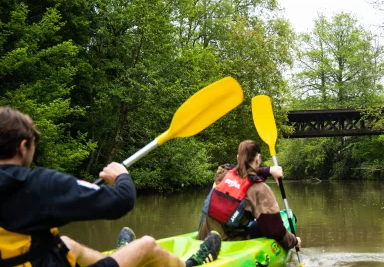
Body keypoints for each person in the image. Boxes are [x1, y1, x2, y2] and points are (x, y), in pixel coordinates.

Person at [0, 107, 219, 267]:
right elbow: (122, 200)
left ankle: (123, 254)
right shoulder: (36, 184)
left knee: (65, 243)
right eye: (33, 147)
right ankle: (188, 265)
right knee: (147, 246)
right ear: (22, 147)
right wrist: (122, 176)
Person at [196, 140, 301, 253]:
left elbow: (243, 173)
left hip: (203, 236)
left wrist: (268, 171)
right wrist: (294, 241)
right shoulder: (259, 189)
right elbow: (274, 229)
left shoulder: (222, 174)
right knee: (265, 225)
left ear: (238, 157)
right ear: (258, 158)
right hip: (229, 244)